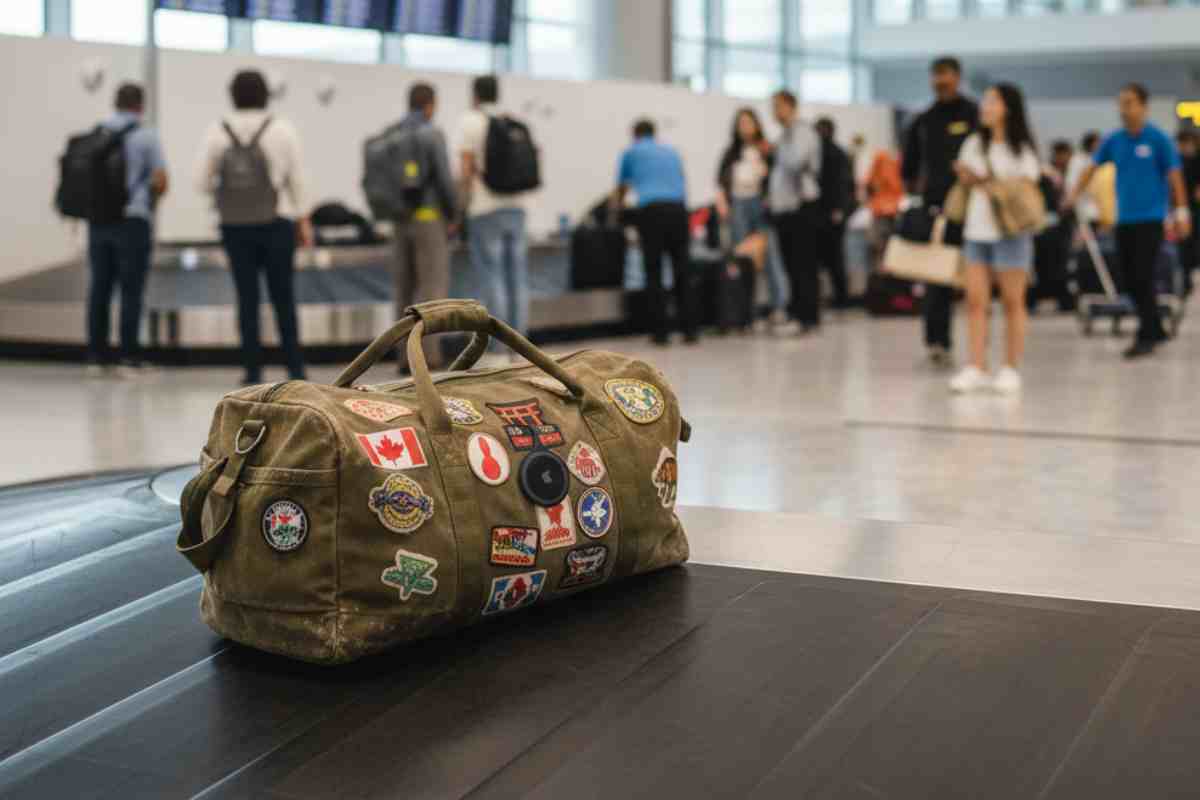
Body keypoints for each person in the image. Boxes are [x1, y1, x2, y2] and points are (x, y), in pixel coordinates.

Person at [195, 69, 312, 384]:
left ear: (232, 95)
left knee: (246, 297)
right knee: (283, 296)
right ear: (267, 95)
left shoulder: (218, 132)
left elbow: (201, 183)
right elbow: (297, 179)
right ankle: (295, 368)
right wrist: (304, 220)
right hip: (277, 221)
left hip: (234, 225)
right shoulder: (282, 129)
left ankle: (252, 369)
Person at [1064, 83, 1192, 359]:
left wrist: (1182, 213)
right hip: (1124, 220)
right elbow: (1091, 168)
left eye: (1130, 102)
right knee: (1130, 278)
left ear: (1143, 106)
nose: (1124, 108)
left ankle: (1145, 335)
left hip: (1152, 219)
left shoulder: (1158, 139)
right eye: (1121, 103)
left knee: (1143, 275)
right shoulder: (1114, 140)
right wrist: (1073, 194)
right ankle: (1155, 326)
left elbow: (1175, 178)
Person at [947, 84, 1041, 394]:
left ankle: (1010, 367)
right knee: (975, 301)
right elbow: (963, 176)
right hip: (977, 230)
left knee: (1013, 302)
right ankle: (976, 365)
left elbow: (1024, 185)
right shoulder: (974, 143)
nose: (985, 107)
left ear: (1008, 108)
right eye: (985, 101)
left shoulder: (1021, 149)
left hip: (1011, 232)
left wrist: (983, 180)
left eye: (992, 101)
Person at [86, 83, 169, 377]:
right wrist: (151, 203)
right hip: (133, 219)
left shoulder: (98, 132)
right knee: (131, 289)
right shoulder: (146, 136)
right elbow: (160, 179)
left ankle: (96, 356)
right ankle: (129, 356)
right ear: (140, 106)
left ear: (115, 102)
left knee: (99, 287)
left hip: (98, 220)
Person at [901, 56, 979, 367]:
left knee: (976, 278)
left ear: (957, 77)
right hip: (937, 210)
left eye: (945, 75)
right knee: (937, 277)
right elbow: (909, 165)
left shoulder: (973, 114)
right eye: (935, 76)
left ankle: (978, 346)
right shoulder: (923, 119)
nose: (940, 81)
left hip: (974, 209)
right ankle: (938, 341)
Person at [458, 75, 531, 346]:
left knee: (491, 275)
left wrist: (460, 208)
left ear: (475, 95)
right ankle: (521, 343)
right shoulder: (511, 121)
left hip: (485, 208)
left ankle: (497, 346)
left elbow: (466, 170)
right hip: (517, 208)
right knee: (518, 277)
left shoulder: (471, 121)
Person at [391, 82, 458, 370]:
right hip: (429, 218)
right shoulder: (432, 134)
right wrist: (454, 213)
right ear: (430, 104)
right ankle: (428, 357)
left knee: (403, 287)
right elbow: (443, 178)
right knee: (432, 289)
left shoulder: (391, 134)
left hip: (400, 219)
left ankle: (401, 355)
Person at [613, 119, 696, 345]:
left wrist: (617, 213)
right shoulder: (671, 152)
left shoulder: (631, 152)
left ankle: (661, 333)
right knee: (682, 270)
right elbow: (681, 181)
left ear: (635, 134)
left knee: (654, 270)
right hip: (678, 210)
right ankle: (690, 330)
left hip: (651, 212)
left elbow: (621, 188)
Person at [715, 107, 790, 329]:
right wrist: (723, 204)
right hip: (738, 205)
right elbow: (721, 182)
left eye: (749, 122)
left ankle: (779, 307)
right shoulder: (731, 153)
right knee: (743, 261)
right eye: (741, 123)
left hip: (761, 205)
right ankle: (746, 312)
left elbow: (778, 178)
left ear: (757, 125)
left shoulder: (767, 150)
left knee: (771, 258)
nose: (745, 127)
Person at [768, 89, 823, 334]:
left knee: (803, 265)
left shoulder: (801, 133)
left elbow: (795, 163)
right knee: (791, 265)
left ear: (791, 106)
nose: (775, 112)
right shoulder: (784, 135)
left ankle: (806, 317)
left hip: (802, 207)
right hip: (785, 209)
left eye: (778, 106)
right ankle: (797, 313)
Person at [814, 116, 854, 308]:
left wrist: (840, 210)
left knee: (835, 258)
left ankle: (842, 298)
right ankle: (832, 297)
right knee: (824, 259)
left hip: (834, 214)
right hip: (820, 213)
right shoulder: (817, 154)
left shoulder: (837, 154)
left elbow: (843, 185)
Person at [863, 146, 904, 271]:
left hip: (882, 210)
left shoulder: (880, 163)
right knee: (887, 241)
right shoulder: (891, 164)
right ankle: (886, 268)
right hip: (890, 209)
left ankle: (882, 269)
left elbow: (868, 185)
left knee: (880, 242)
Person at [1176, 129, 1199, 293]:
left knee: (1189, 243)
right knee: (1185, 244)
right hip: (1185, 208)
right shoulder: (1177, 161)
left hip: (1191, 208)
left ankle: (1187, 276)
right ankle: (1186, 278)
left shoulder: (1195, 160)